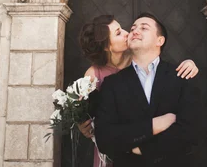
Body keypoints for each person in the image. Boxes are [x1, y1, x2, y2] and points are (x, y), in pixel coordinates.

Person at [78, 14, 199, 167]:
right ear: (107, 46)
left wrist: (139, 148)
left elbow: (190, 132)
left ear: (159, 41)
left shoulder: (181, 76)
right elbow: (105, 138)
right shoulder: (109, 83)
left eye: (144, 28)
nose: (131, 32)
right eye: (132, 28)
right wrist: (156, 124)